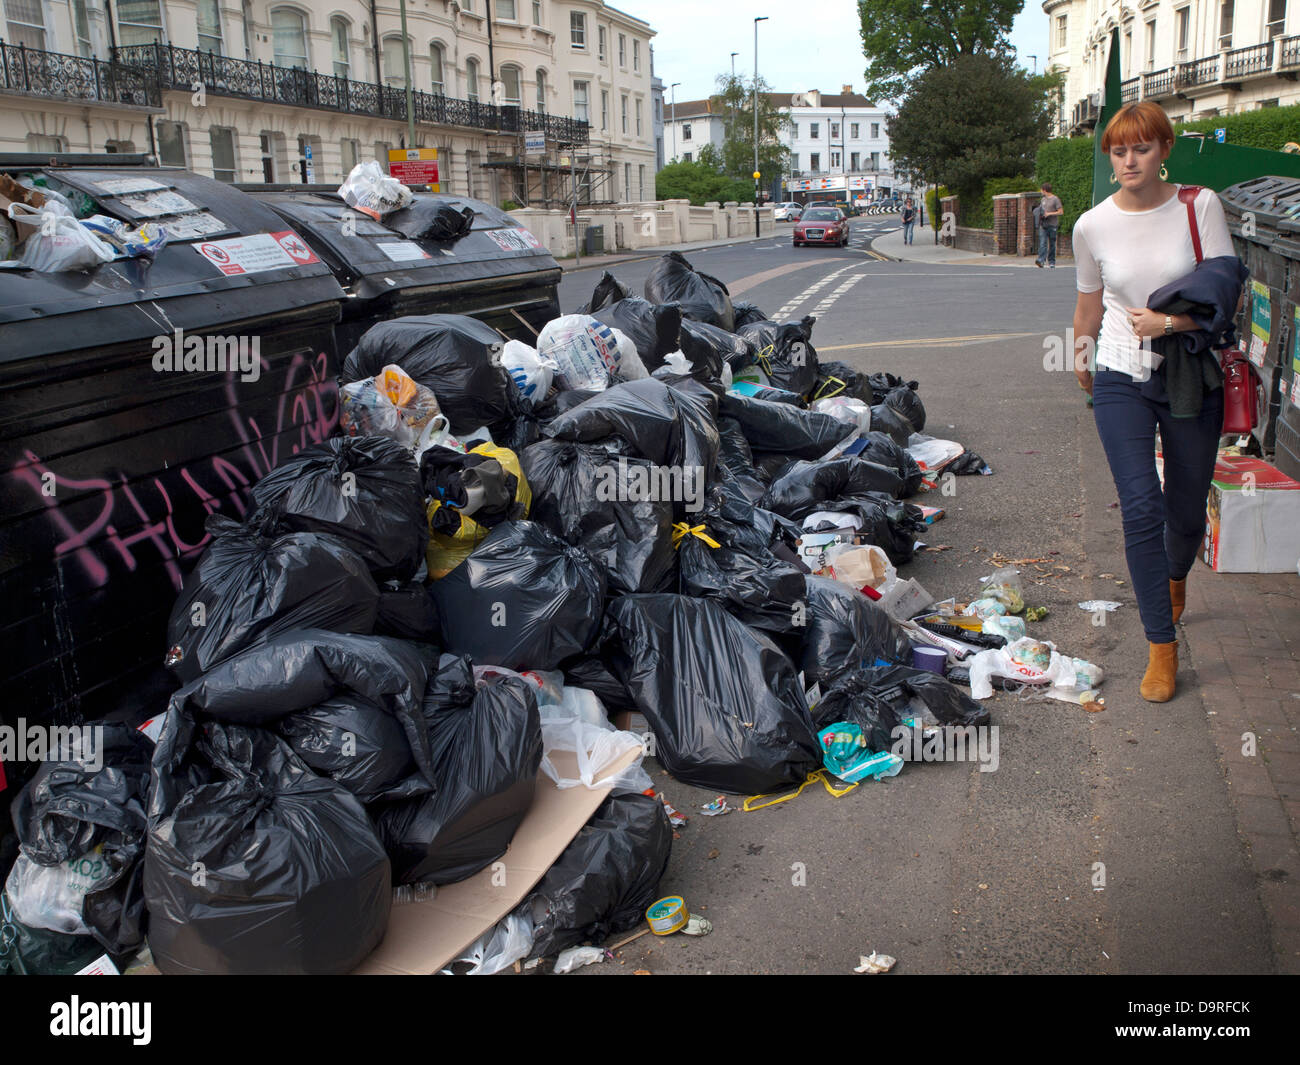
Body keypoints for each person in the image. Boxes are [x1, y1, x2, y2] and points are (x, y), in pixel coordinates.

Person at [1071, 101, 1240, 703]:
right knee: (1141, 505)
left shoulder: (1199, 205)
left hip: (1188, 373)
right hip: (1121, 375)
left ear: (1164, 149)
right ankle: (1160, 646)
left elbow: (1224, 291)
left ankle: (1175, 576)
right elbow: (1091, 303)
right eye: (1118, 150)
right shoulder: (1090, 225)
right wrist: (1082, 356)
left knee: (1186, 508)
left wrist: (1168, 322)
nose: (1129, 159)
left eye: (1141, 147)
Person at [1036, 182, 1063, 267]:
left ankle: (1051, 261)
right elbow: (1041, 210)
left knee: (1052, 244)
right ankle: (1041, 260)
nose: (1041, 191)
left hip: (1052, 225)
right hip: (1043, 224)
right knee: (1042, 242)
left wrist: (1049, 214)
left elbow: (1061, 212)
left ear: (1044, 190)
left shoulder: (1055, 199)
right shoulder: (1043, 199)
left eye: (1041, 190)